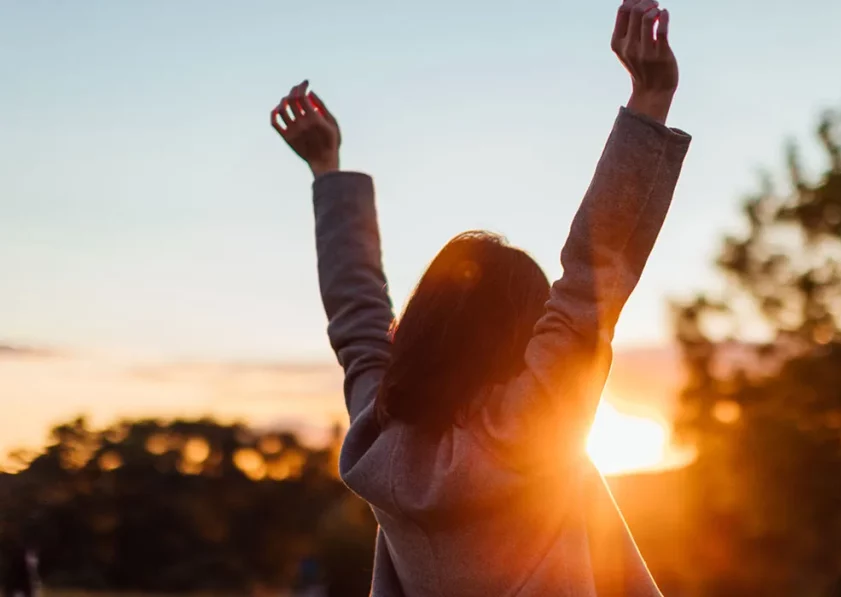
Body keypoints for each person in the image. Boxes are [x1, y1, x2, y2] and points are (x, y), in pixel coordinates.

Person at [271, 1, 690, 594]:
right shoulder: (532, 426)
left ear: (415, 331)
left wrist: (326, 170)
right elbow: (590, 283)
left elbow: (358, 323)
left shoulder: (378, 441)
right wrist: (650, 101)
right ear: (521, 339)